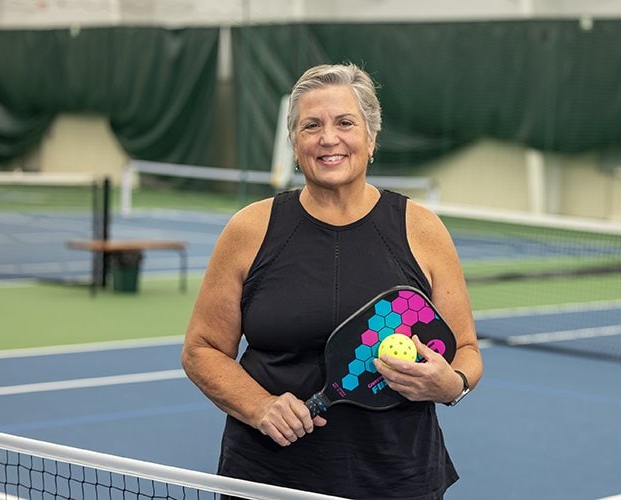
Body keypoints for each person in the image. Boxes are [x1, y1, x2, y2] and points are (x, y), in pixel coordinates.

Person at [181, 63, 483, 499]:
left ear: (371, 138)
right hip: (268, 478)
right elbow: (201, 349)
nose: (328, 138)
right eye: (311, 125)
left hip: (397, 478)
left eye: (345, 122)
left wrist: (450, 385)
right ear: (294, 142)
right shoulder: (250, 230)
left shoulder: (422, 229)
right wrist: (259, 405)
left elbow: (466, 350)